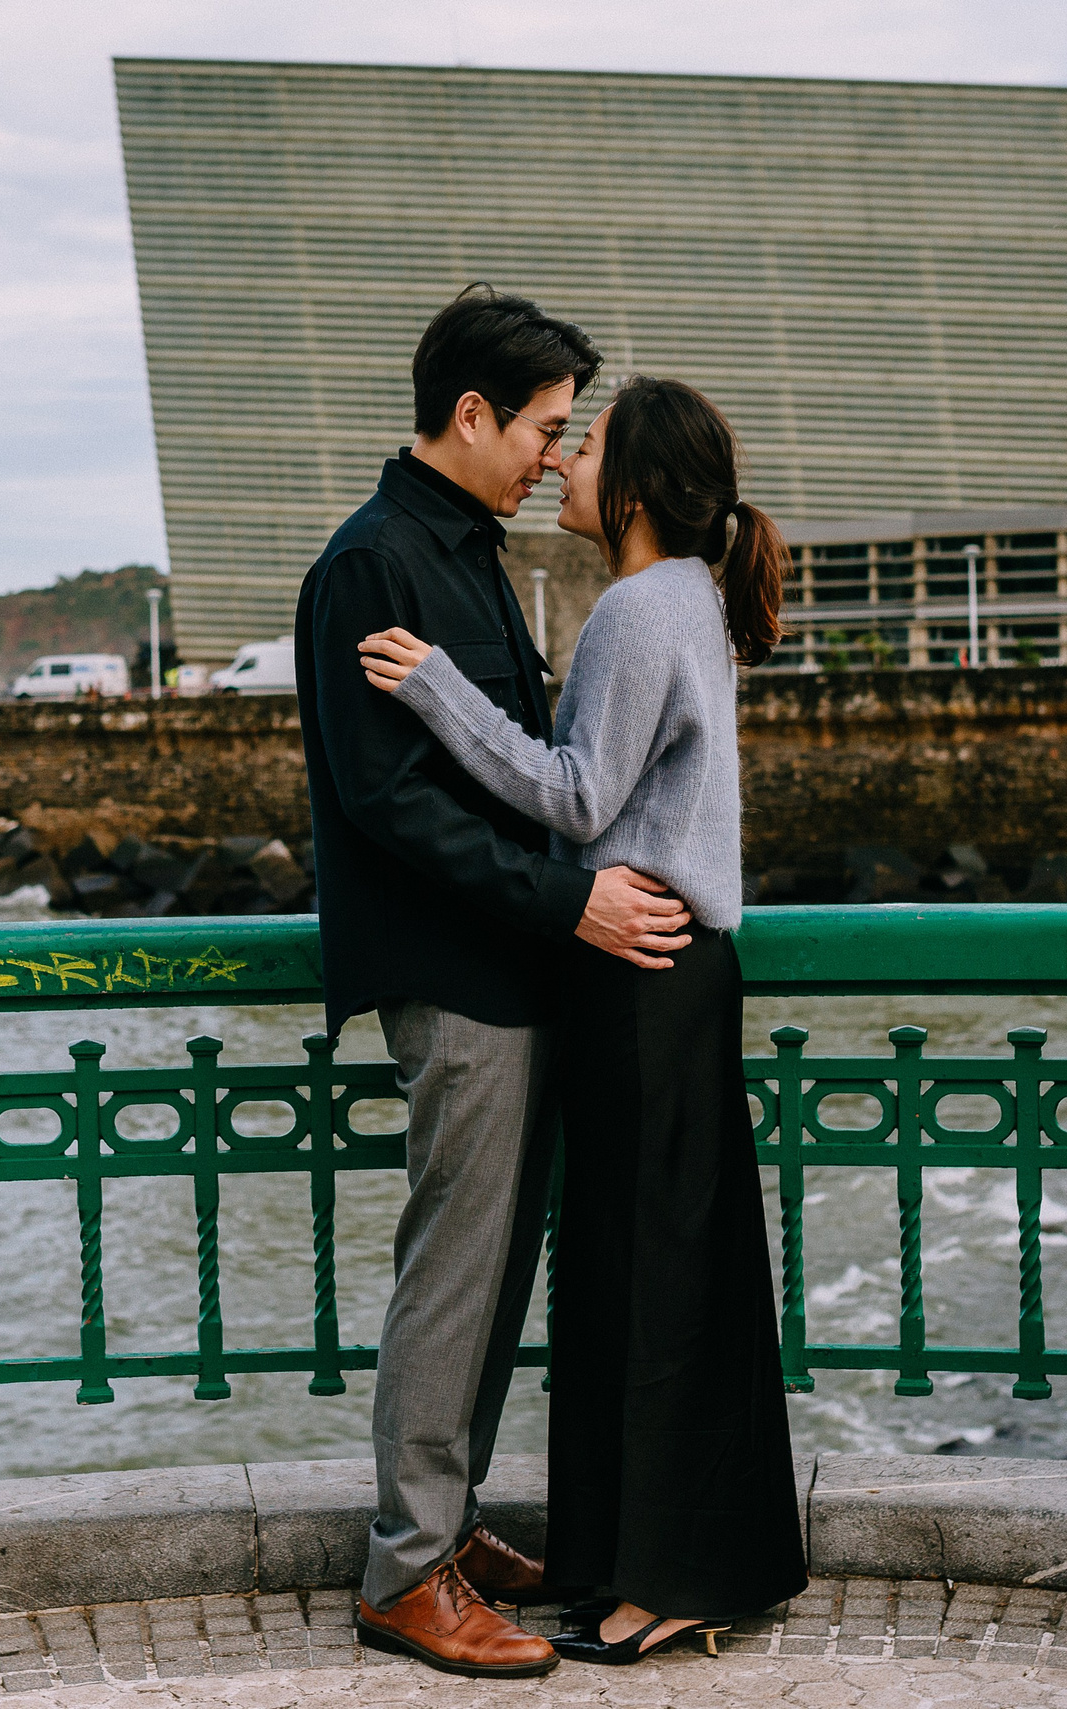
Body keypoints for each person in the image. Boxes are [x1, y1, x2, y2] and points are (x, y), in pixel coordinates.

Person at [357, 375, 810, 1666]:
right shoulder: (692, 601)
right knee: (654, 1270)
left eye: (588, 446)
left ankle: (666, 1578)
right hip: (676, 963)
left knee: (644, 1280)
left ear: (643, 488)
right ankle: (638, 1557)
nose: (564, 465)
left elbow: (573, 794)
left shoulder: (637, 606)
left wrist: (438, 690)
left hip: (639, 967)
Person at [295, 285, 694, 1682]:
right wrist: (570, 899)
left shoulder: (459, 548)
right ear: (469, 413)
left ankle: (446, 1525)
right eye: (541, 427)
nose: (551, 453)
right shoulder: (376, 563)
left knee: (494, 1264)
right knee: (457, 1270)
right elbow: (390, 800)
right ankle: (408, 1570)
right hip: (455, 970)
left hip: (505, 963)